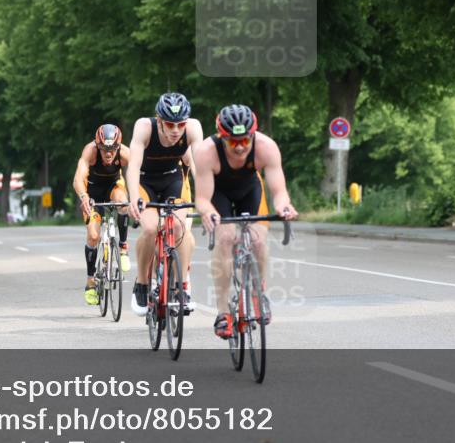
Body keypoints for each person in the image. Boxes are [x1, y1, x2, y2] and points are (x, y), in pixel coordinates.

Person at [194, 104, 298, 339]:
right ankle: (223, 312)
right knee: (226, 237)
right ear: (222, 137)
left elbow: (279, 191)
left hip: (249, 190)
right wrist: (209, 213)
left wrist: (283, 206)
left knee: (258, 239)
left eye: (245, 140)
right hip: (217, 193)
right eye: (233, 142)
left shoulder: (266, 147)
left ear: (253, 135)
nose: (240, 146)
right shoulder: (206, 152)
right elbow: (202, 199)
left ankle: (258, 293)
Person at [126, 92, 203, 316]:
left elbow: (199, 165)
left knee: (180, 228)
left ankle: (180, 287)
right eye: (170, 124)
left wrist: (206, 195)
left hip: (172, 179)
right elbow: (132, 166)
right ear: (159, 120)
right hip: (145, 181)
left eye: (180, 124)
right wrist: (133, 197)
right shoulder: (144, 127)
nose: (176, 130)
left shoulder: (193, 127)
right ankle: (141, 283)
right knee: (150, 229)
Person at [72, 124, 132, 306]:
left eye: (112, 149)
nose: (108, 153)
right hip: (92, 195)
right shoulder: (90, 151)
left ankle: (122, 247)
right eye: (105, 149)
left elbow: (140, 172)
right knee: (93, 235)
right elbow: (78, 179)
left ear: (118, 146)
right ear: (98, 146)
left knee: (123, 202)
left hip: (113, 188)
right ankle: (91, 281)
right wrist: (83, 197)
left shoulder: (125, 153)